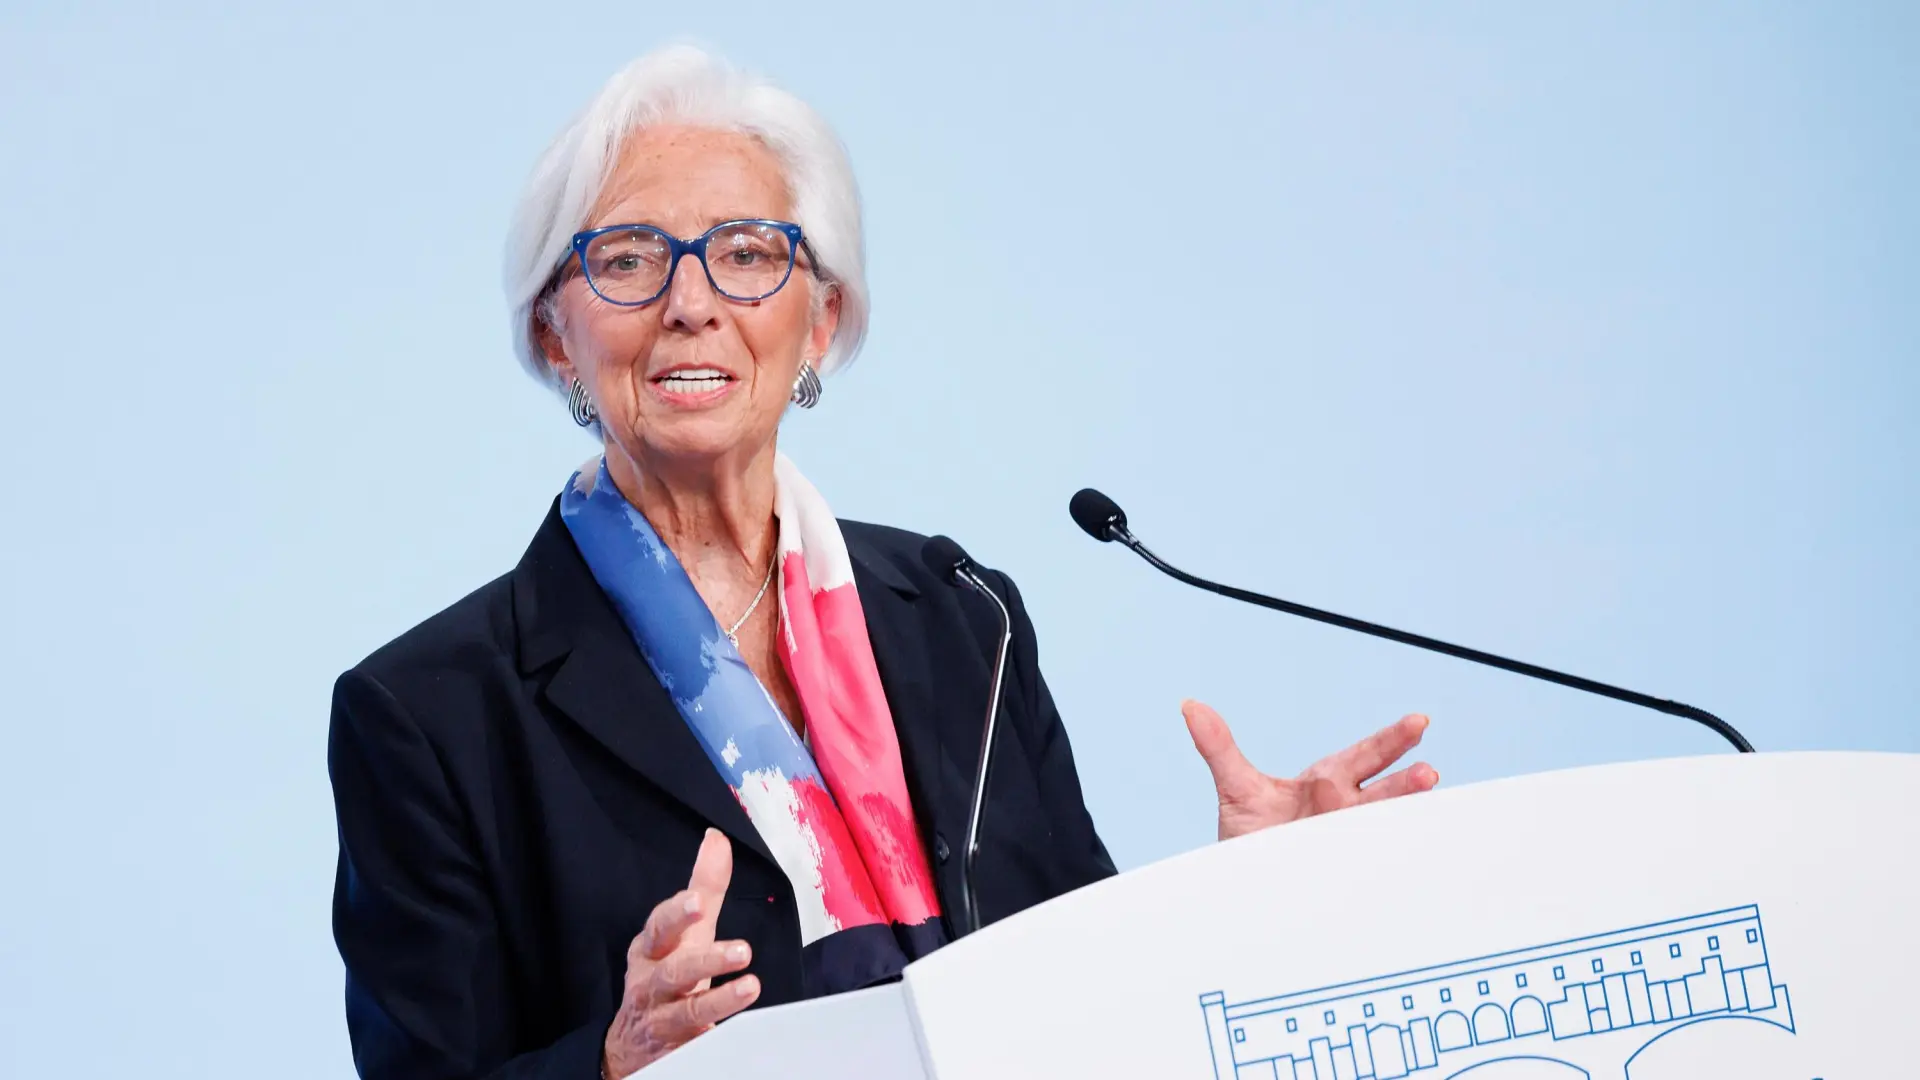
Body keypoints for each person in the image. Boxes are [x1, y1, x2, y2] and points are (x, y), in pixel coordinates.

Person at [326, 44, 1439, 1080]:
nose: (691, 304)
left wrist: (1240, 897)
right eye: (627, 261)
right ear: (554, 336)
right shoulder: (428, 715)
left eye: (747, 254)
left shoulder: (960, 617)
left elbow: (1082, 983)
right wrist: (613, 1062)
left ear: (821, 321)